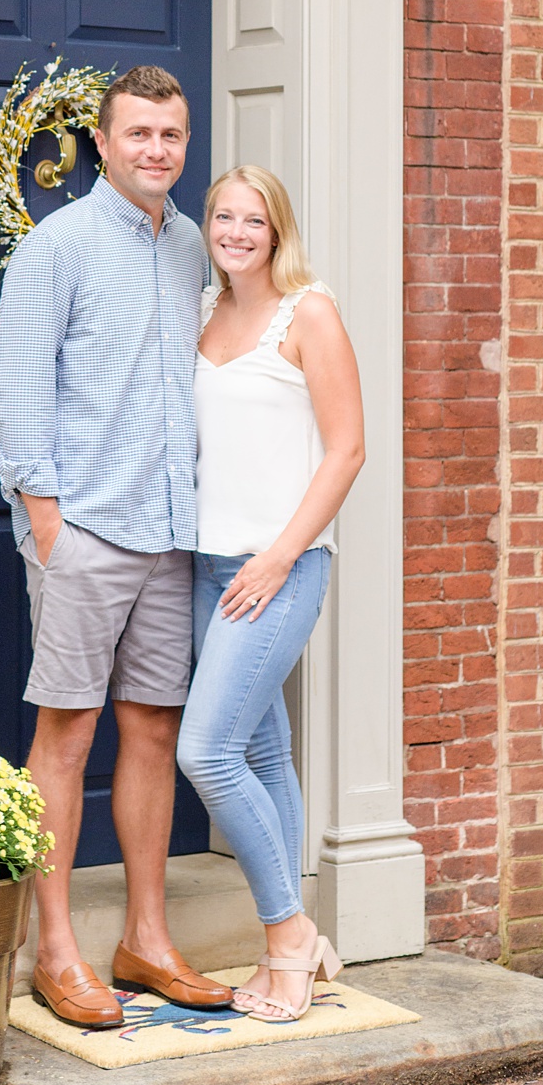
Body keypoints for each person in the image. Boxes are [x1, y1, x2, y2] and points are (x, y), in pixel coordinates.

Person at [0, 64, 235, 1028]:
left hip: (172, 531)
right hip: (86, 528)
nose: (158, 151)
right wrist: (50, 528)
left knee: (155, 734)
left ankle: (146, 941)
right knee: (66, 735)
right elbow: (16, 397)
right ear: (103, 141)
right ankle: (54, 952)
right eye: (139, 135)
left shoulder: (189, 249)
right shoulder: (58, 246)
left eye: (171, 135)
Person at [178, 166, 364, 1022]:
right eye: (225, 216)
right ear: (208, 226)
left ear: (278, 230)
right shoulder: (205, 312)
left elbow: (347, 451)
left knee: (206, 753)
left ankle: (289, 939)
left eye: (255, 220)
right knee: (258, 755)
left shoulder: (309, 313)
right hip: (209, 566)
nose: (239, 232)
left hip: (279, 569)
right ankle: (290, 950)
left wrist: (280, 556)